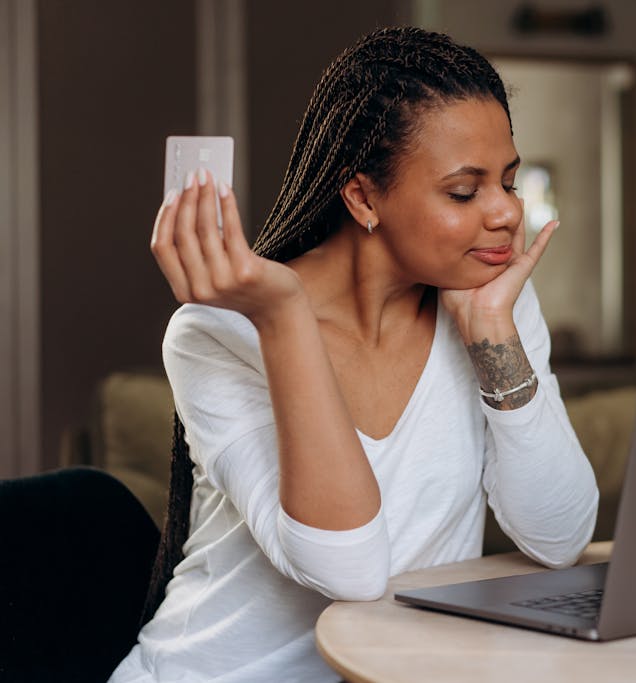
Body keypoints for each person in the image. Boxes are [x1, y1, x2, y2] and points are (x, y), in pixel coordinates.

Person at [109, 26, 598, 683]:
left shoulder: (492, 304)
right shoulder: (219, 333)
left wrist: (493, 335)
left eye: (508, 182)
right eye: (464, 190)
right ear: (364, 196)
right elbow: (350, 568)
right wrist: (283, 315)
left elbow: (561, 537)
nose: (505, 212)